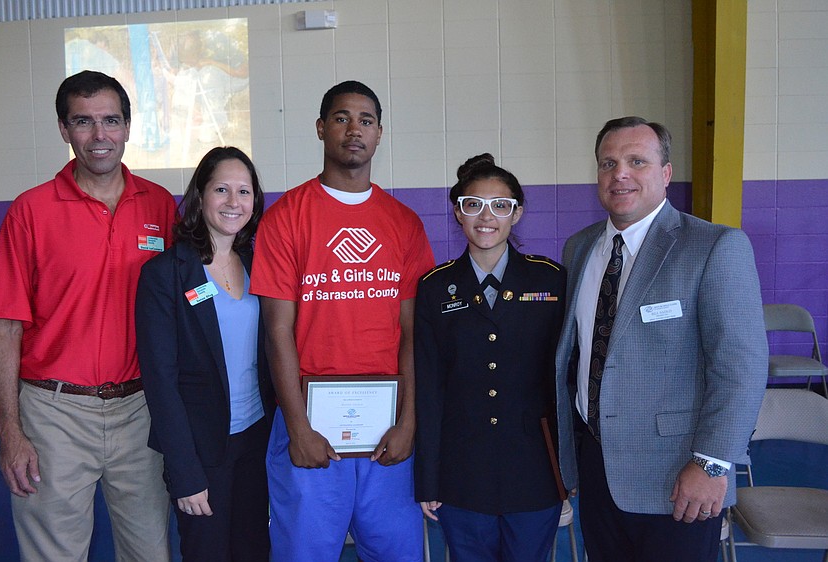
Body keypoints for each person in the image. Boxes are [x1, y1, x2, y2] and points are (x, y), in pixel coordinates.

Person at [554, 116, 768, 562]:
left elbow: (740, 369)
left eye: (637, 161)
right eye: (608, 163)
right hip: (597, 468)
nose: (621, 174)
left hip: (678, 477)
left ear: (666, 172)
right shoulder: (579, 249)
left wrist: (711, 464)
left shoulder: (713, 247)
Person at [0, 70, 175, 561]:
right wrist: (11, 432)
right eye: (83, 122)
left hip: (140, 411)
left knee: (149, 551)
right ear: (64, 130)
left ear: (129, 127)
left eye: (111, 120)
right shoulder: (31, 211)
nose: (99, 136)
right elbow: (4, 326)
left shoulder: (159, 206)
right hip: (53, 415)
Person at [251, 80, 435, 562]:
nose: (354, 129)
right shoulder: (286, 217)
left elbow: (415, 334)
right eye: (341, 118)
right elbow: (277, 332)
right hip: (311, 426)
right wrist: (298, 429)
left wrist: (409, 422)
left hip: (387, 432)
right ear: (320, 128)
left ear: (379, 135)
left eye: (366, 120)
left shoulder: (404, 223)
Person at [414, 154, 567, 561]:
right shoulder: (434, 287)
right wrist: (428, 478)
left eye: (500, 205)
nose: (487, 216)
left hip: (534, 468)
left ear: (517, 214)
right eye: (473, 204)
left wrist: (570, 470)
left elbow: (565, 380)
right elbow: (427, 388)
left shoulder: (550, 280)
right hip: (462, 472)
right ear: (458, 213)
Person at [136, 146, 277, 561]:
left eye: (244, 191)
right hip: (202, 451)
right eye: (221, 189)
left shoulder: (258, 263)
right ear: (200, 196)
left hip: (255, 440)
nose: (234, 203)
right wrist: (184, 472)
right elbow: (160, 382)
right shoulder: (165, 273)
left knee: (253, 550)